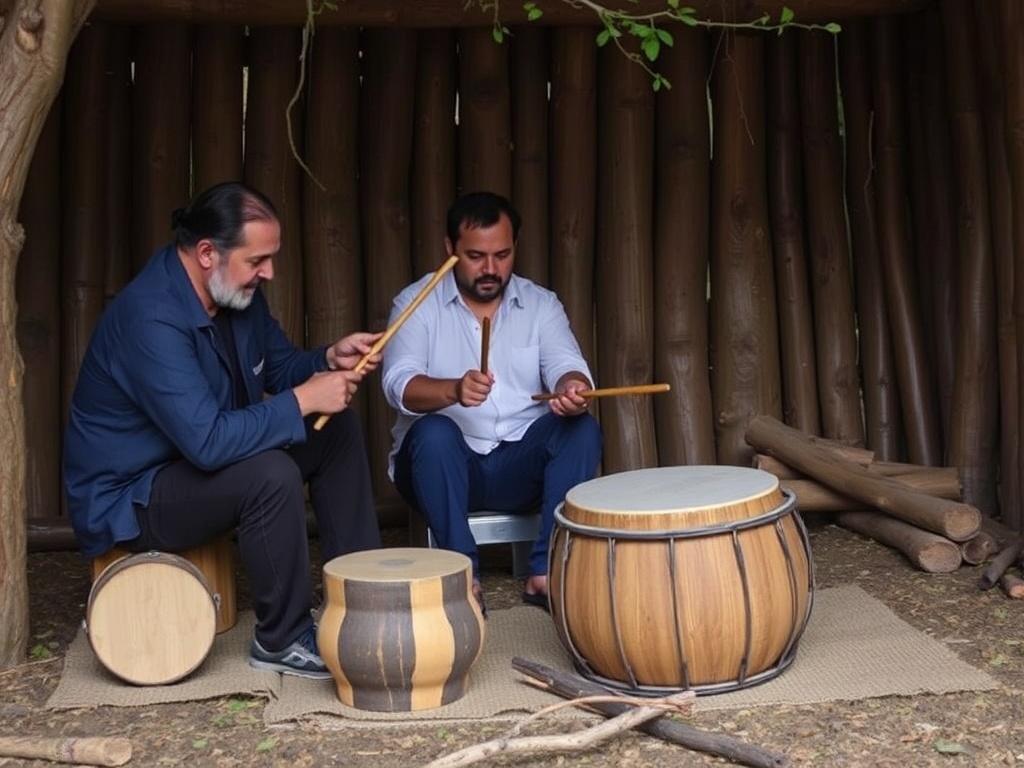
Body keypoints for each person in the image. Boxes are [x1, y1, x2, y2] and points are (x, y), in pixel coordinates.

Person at [64, 182, 381, 679]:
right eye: (258, 260)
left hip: (191, 465)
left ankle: (365, 603)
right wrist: (303, 399)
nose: (269, 272)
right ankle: (282, 639)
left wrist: (325, 360)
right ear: (207, 252)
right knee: (269, 473)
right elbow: (209, 443)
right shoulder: (151, 318)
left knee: (333, 431)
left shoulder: (235, 293)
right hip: (134, 497)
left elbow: (278, 368)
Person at [381, 191, 602, 612]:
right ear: (450, 250)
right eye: (476, 256)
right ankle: (463, 578)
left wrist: (573, 389)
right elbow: (398, 383)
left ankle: (545, 571)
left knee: (581, 428)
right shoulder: (415, 304)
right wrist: (453, 390)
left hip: (519, 467)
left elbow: (567, 364)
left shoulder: (540, 304)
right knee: (433, 432)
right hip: (442, 469)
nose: (490, 268)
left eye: (502, 255)